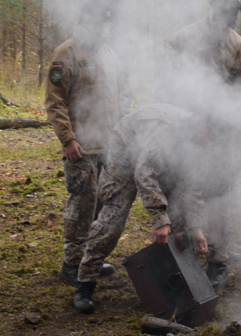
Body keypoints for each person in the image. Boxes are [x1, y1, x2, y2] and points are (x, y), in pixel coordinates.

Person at [73, 104, 210, 313]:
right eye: (208, 137)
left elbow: (192, 189)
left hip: (160, 161)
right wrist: (159, 219)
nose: (208, 144)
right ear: (200, 126)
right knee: (113, 219)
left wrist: (196, 228)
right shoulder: (167, 132)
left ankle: (168, 280)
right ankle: (85, 283)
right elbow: (143, 174)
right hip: (126, 153)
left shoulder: (198, 144)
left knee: (179, 218)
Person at [169, 0, 241, 288]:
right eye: (225, 15)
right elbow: (167, 85)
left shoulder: (237, 45)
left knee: (220, 197)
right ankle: (181, 260)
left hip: (222, 135)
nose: (229, 21)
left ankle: (218, 262)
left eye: (233, 16)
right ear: (211, 10)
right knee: (181, 196)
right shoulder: (183, 39)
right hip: (183, 129)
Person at [46, 0, 126, 289]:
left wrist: (123, 135)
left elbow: (122, 97)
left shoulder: (109, 55)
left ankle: (88, 260)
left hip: (108, 145)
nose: (104, 29)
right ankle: (71, 264)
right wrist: (67, 139)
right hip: (80, 147)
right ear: (87, 22)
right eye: (100, 23)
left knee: (100, 206)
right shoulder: (65, 54)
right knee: (81, 206)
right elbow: (55, 103)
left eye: (107, 24)